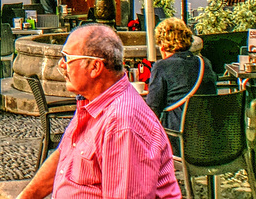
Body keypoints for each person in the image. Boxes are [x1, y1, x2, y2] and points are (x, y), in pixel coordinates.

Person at [13, 24, 180, 199]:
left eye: (67, 58)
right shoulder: (91, 101)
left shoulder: (122, 122)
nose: (62, 65)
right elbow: (64, 157)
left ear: (95, 67)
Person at [146, 17, 216, 132]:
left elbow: (152, 110)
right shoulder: (205, 63)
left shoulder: (162, 67)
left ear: (162, 45)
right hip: (207, 136)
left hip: (177, 137)